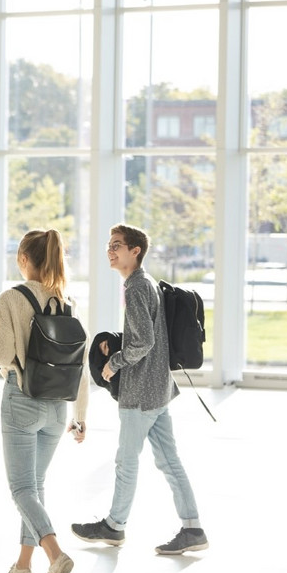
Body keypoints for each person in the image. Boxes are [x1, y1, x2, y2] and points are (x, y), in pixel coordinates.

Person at [71, 224, 209, 555]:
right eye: (109, 245)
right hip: (159, 389)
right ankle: (193, 529)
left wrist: (113, 362)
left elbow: (143, 342)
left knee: (126, 461)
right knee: (169, 460)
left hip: (141, 393)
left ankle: (114, 526)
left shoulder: (135, 287)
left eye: (117, 245)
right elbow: (147, 336)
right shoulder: (146, 283)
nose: (110, 250)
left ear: (135, 251)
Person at [0, 229, 88, 573]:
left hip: (21, 399)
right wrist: (80, 416)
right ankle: (23, 566)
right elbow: (78, 367)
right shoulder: (67, 302)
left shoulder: (13, 298)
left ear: (23, 260)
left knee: (21, 488)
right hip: (57, 408)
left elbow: (1, 355)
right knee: (34, 487)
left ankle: (55, 555)